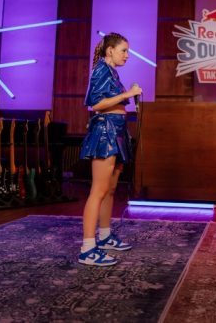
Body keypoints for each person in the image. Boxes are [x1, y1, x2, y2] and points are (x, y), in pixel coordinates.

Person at [77, 32, 142, 267]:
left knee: (111, 189)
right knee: (99, 190)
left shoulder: (112, 71)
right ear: (110, 50)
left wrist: (126, 94)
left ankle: (104, 237)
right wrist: (128, 94)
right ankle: (87, 249)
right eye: (124, 50)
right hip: (105, 131)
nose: (127, 55)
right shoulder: (101, 70)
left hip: (117, 131)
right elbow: (95, 104)